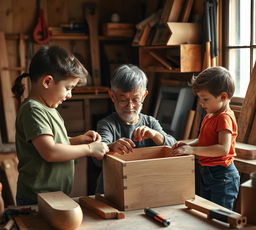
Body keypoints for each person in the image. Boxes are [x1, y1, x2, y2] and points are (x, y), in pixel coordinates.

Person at [12, 46, 109, 206]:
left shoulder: (49, 108)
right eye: (68, 88)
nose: (69, 95)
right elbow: (50, 151)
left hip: (53, 196)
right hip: (36, 199)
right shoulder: (32, 110)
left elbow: (55, 142)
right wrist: (89, 150)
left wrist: (79, 140)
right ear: (47, 81)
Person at [95, 64, 176, 193]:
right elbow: (96, 156)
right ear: (112, 96)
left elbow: (175, 148)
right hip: (112, 189)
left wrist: (155, 135)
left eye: (136, 100)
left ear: (144, 96)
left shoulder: (150, 123)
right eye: (123, 100)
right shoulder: (107, 124)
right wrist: (111, 146)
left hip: (143, 188)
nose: (130, 106)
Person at [171, 66, 240, 210]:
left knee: (220, 218)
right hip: (208, 172)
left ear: (223, 97)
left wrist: (192, 149)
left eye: (205, 99)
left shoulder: (224, 118)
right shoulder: (210, 115)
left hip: (223, 176)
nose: (201, 104)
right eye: (200, 99)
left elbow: (222, 149)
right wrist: (189, 144)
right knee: (206, 213)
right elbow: (204, 139)